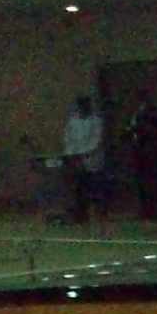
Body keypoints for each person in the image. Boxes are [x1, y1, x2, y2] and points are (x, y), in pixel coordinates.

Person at [60, 95, 106, 229]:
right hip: (76, 161)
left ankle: (99, 216)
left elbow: (96, 140)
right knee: (78, 189)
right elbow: (68, 139)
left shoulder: (96, 121)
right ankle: (80, 216)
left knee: (94, 189)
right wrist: (72, 155)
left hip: (91, 160)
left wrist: (83, 154)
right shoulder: (72, 121)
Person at [125, 92, 157, 220]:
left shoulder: (154, 114)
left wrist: (141, 130)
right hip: (140, 151)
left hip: (152, 151)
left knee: (155, 182)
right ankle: (146, 210)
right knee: (142, 183)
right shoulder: (136, 114)